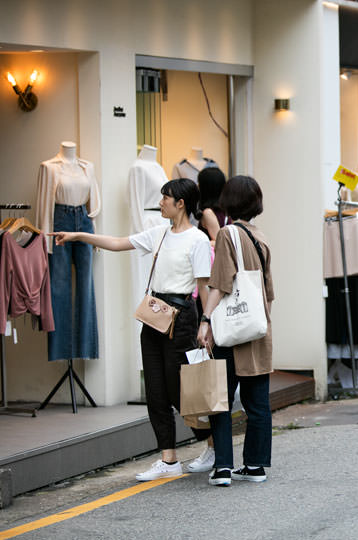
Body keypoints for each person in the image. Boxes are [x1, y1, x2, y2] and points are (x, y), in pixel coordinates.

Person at [51, 178, 212, 481]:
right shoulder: (159, 233)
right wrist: (78, 235)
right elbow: (117, 243)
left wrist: (207, 323)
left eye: (166, 198)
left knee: (181, 391)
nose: (161, 202)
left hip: (183, 317)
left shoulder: (198, 240)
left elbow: (203, 286)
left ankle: (211, 444)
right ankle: (168, 459)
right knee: (154, 389)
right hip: (154, 314)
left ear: (181, 203)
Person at [197, 175, 274, 487]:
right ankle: (255, 465)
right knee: (258, 404)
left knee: (220, 399)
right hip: (257, 328)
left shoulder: (228, 233)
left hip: (231, 330)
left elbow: (220, 283)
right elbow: (269, 291)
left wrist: (205, 320)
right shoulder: (260, 236)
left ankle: (223, 468)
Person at [184, 167, 228, 474]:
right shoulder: (221, 209)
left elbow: (217, 244)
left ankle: (213, 449)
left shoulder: (210, 213)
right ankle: (212, 448)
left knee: (206, 368)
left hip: (208, 290)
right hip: (212, 292)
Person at [196, 167, 229, 244]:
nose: (197, 186)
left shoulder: (208, 213)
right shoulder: (226, 210)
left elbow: (219, 242)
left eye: (199, 183)